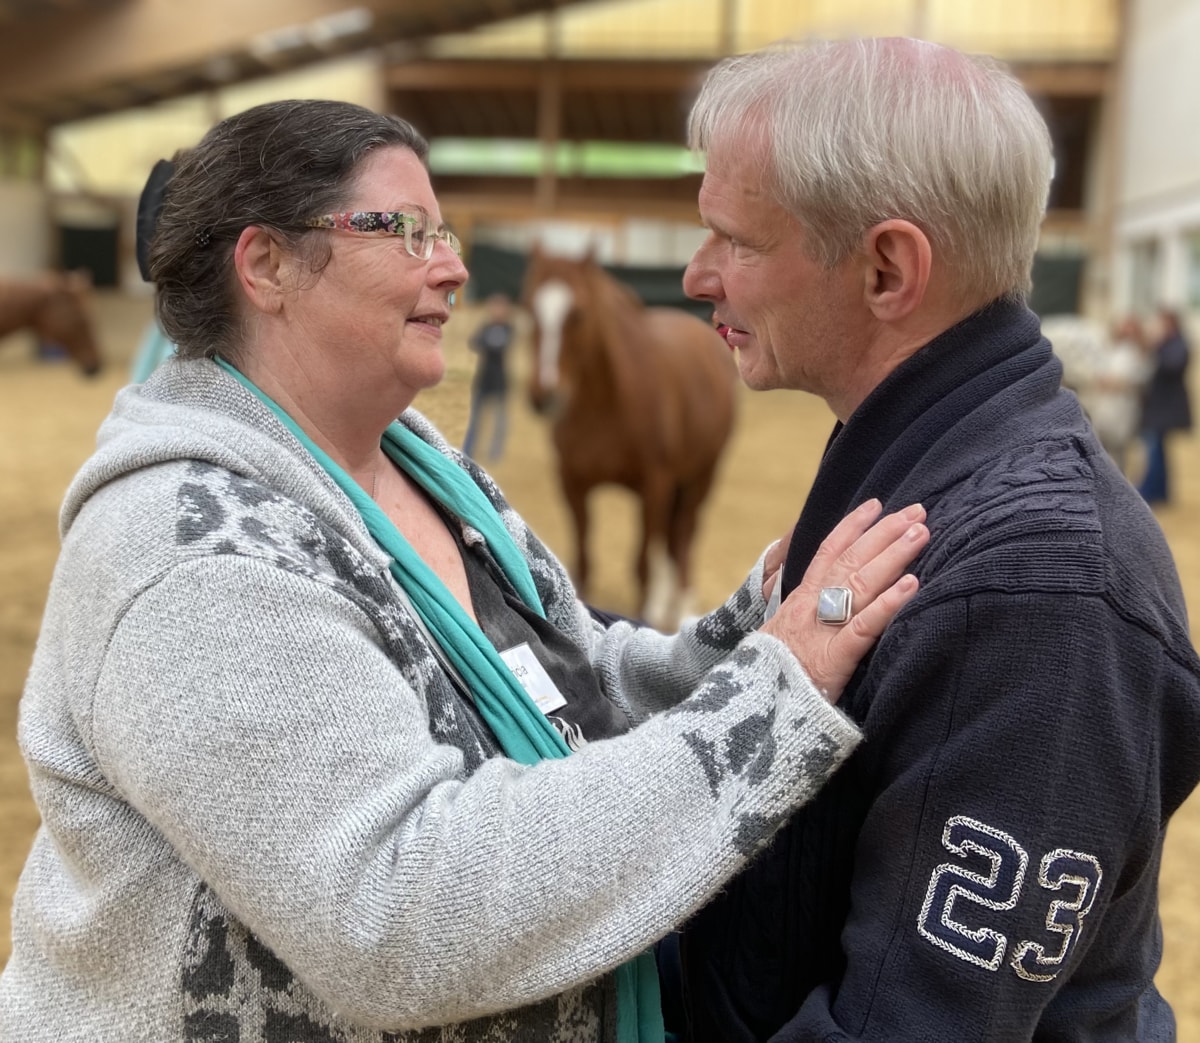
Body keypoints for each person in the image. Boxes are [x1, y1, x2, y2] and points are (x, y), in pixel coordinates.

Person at [0, 99, 931, 1042]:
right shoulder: (194, 555)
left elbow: (574, 689)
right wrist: (769, 701)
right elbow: (395, 913)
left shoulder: (421, 466)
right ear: (266, 265)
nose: (451, 267)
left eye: (444, 234)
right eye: (405, 231)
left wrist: (752, 627)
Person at [673, 36, 1200, 1042]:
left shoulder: (1040, 593)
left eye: (736, 241)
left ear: (888, 269)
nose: (700, 276)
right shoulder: (914, 459)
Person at [1136, 306, 1193, 505]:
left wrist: (1156, 346)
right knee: (1157, 450)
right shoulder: (1169, 344)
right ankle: (1160, 491)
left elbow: (1172, 365)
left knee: (1155, 449)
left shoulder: (1177, 344)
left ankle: (1152, 490)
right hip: (1158, 408)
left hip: (1165, 408)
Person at [462, 291, 515, 462]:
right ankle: (469, 449)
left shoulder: (508, 328)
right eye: (494, 307)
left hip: (500, 382)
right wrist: (487, 342)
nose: (496, 311)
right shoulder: (486, 327)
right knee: (475, 419)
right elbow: (473, 342)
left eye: (500, 307)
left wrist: (486, 343)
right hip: (483, 380)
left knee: (499, 422)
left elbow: (498, 346)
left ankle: (495, 452)